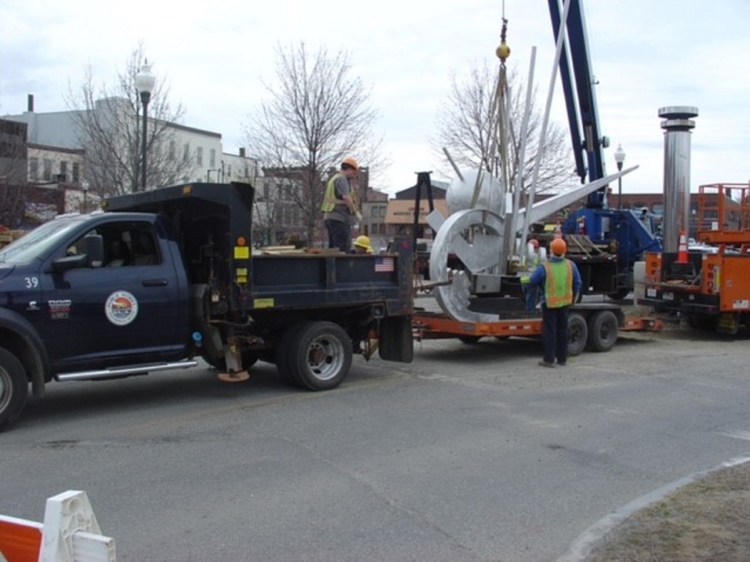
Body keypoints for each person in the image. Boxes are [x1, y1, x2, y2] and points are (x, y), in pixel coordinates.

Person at [528, 237, 582, 368]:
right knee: (563, 330)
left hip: (550, 304)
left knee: (550, 331)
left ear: (551, 251)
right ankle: (562, 359)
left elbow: (532, 281)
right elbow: (578, 283)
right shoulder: (571, 265)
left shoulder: (545, 267)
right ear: (564, 251)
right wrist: (573, 299)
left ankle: (549, 359)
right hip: (565, 303)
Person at [321, 157, 362, 252]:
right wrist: (356, 212)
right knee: (342, 248)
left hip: (330, 217)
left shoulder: (334, 178)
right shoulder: (342, 180)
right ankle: (340, 266)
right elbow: (346, 197)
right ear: (348, 169)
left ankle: (331, 266)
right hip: (339, 218)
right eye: (353, 171)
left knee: (333, 248)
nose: (354, 174)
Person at [520, 239, 545, 311]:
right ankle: (530, 312)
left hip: (524, 280)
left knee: (528, 299)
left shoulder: (523, 256)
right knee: (530, 299)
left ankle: (529, 311)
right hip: (530, 280)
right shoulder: (536, 256)